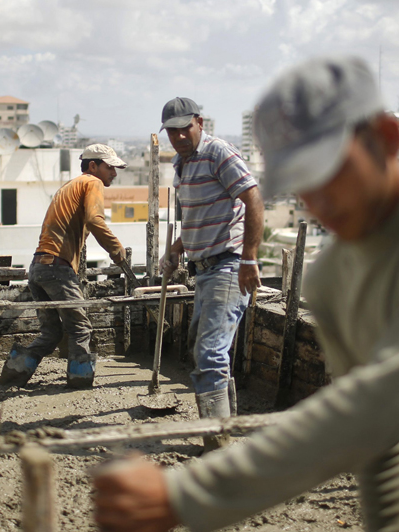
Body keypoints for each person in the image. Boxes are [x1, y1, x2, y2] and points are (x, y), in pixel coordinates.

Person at [93, 56, 399, 532]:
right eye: (301, 183)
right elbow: (379, 440)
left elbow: (383, 395)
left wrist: (188, 498)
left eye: (330, 170)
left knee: (211, 354)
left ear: (386, 138)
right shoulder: (336, 282)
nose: (318, 200)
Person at [158, 97, 264, 451]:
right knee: (201, 348)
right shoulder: (182, 164)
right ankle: (225, 429)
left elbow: (253, 198)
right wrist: (176, 248)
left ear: (199, 123)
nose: (178, 136)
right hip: (203, 269)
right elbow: (194, 218)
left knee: (210, 354)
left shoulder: (218, 152)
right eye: (171, 131)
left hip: (228, 264)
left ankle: (218, 443)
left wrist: (249, 258)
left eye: (184, 128)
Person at [0, 144, 128, 390]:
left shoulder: (69, 186)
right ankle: (80, 383)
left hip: (39, 267)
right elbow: (95, 219)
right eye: (110, 167)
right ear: (93, 166)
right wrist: (116, 249)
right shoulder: (92, 183)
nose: (114, 173)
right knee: (80, 328)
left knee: (51, 334)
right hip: (57, 268)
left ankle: (12, 377)